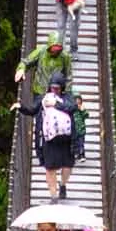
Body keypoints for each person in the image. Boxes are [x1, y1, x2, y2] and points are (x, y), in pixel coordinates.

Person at [34, 70, 76, 199]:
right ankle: (53, 196)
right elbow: (33, 109)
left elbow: (72, 107)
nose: (54, 90)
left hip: (65, 138)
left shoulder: (67, 97)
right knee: (50, 167)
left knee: (68, 165)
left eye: (57, 88)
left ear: (62, 88)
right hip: (49, 139)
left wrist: (56, 104)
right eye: (52, 87)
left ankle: (63, 185)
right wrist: (20, 107)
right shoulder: (44, 98)